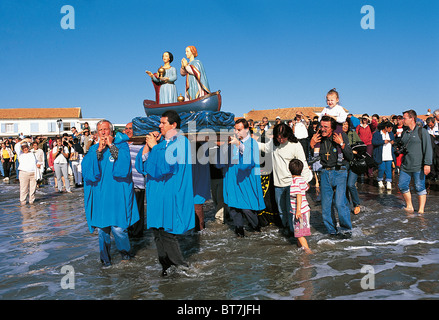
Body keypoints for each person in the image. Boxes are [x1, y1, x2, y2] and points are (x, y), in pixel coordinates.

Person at [136, 110, 195, 276]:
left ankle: (182, 266)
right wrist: (148, 146)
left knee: (168, 232)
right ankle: (166, 267)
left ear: (173, 125)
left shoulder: (181, 143)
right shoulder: (161, 145)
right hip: (156, 194)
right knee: (157, 231)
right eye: (160, 123)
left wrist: (155, 148)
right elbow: (143, 168)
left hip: (171, 193)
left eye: (163, 123)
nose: (159, 126)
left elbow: (166, 166)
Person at [82, 120, 140, 267]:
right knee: (102, 230)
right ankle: (105, 261)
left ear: (111, 132)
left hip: (117, 195)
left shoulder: (121, 147)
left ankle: (126, 257)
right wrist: (99, 151)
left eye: (105, 129)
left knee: (119, 228)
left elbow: (123, 168)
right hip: (101, 195)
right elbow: (88, 172)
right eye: (100, 130)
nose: (102, 132)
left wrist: (111, 146)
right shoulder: (93, 149)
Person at [258, 123, 312, 234]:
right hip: (278, 184)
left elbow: (303, 163)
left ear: (288, 135)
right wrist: (247, 141)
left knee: (292, 210)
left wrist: (306, 181)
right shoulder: (274, 144)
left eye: (283, 137)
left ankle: (296, 233)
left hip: (292, 184)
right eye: (278, 137)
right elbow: (263, 147)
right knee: (281, 210)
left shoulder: (295, 145)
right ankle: (286, 229)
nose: (281, 139)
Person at [218, 118, 265, 237]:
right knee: (234, 208)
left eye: (239, 130)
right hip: (233, 180)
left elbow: (250, 160)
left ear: (247, 129)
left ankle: (256, 228)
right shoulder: (232, 143)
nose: (237, 132)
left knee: (247, 209)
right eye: (235, 130)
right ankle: (239, 232)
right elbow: (222, 162)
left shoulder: (251, 142)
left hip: (246, 181)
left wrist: (238, 144)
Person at [310, 116, 354, 238]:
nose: (323, 129)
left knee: (340, 203)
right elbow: (311, 159)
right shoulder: (317, 138)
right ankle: (332, 231)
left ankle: (346, 231)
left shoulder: (340, 135)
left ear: (332, 128)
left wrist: (342, 144)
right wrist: (311, 145)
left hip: (339, 172)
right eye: (321, 126)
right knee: (325, 206)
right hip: (324, 173)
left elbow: (350, 157)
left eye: (326, 127)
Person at [398, 110, 433, 214]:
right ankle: (409, 206)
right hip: (406, 165)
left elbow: (428, 148)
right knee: (402, 185)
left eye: (404, 118)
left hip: (419, 165)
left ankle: (421, 210)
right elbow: (401, 146)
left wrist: (427, 164)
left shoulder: (422, 132)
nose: (402, 120)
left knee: (419, 187)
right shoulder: (405, 132)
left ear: (411, 119)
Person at [123, 122, 146, 238]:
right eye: (126, 128)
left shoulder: (142, 144)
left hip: (138, 183)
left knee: (138, 210)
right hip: (125, 184)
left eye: (130, 128)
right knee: (126, 209)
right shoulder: (122, 144)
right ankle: (128, 233)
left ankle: (138, 236)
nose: (128, 130)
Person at [289, 159, 312, 253]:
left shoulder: (294, 182)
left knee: (299, 234)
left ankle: (308, 251)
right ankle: (300, 248)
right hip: (305, 210)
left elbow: (298, 195)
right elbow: (307, 187)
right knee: (299, 231)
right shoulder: (302, 180)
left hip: (300, 211)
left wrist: (298, 211)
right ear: (302, 170)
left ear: (289, 170)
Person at [342, 120, 363, 214]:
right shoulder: (338, 134)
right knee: (344, 185)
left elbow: (361, 145)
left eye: (346, 124)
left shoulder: (352, 133)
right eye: (343, 124)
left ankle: (357, 204)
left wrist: (354, 150)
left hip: (354, 162)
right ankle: (347, 203)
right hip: (343, 162)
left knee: (350, 184)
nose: (345, 126)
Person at [372, 121, 396, 190]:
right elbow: (374, 142)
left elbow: (393, 142)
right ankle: (380, 180)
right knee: (381, 168)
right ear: (385, 127)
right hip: (381, 154)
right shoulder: (377, 134)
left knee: (389, 169)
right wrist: (383, 141)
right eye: (390, 128)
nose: (390, 130)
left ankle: (389, 182)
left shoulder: (391, 134)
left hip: (389, 154)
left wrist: (392, 142)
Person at [15, 139, 39, 205]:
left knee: (33, 189)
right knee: (23, 189)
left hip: (33, 173)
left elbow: (37, 161)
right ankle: (23, 202)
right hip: (23, 173)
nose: (25, 149)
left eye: (26, 147)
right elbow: (17, 146)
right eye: (23, 148)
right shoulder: (20, 154)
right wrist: (24, 140)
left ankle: (32, 202)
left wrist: (38, 164)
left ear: (28, 147)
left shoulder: (32, 154)